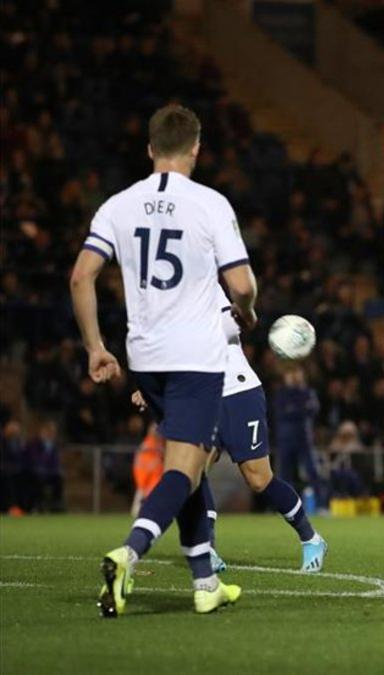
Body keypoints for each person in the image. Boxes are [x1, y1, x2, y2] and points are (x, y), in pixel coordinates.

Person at [70, 103, 254, 617]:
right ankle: (128, 553)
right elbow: (240, 283)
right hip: (195, 356)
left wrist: (94, 347)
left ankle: (203, 582)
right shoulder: (211, 204)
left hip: (145, 357)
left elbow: (80, 277)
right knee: (183, 470)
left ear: (151, 149)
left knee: (186, 463)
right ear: (196, 148)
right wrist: (248, 311)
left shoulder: (117, 206)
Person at [131, 297, 328, 573]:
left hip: (238, 393)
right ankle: (207, 547)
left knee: (259, 479)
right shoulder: (168, 301)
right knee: (191, 472)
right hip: (202, 397)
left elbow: (230, 327)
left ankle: (311, 538)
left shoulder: (205, 288)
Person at [274, 367, 324, 507]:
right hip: (286, 440)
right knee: (285, 476)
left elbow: (312, 410)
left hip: (304, 439)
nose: (295, 377)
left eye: (297, 373)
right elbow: (281, 413)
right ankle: (286, 507)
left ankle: (321, 505)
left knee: (313, 472)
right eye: (292, 374)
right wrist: (300, 410)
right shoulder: (282, 394)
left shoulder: (307, 392)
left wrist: (293, 409)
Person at [131, 423, 164, 516]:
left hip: (155, 474)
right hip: (145, 473)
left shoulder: (158, 444)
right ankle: (137, 511)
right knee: (141, 492)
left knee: (152, 494)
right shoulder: (147, 444)